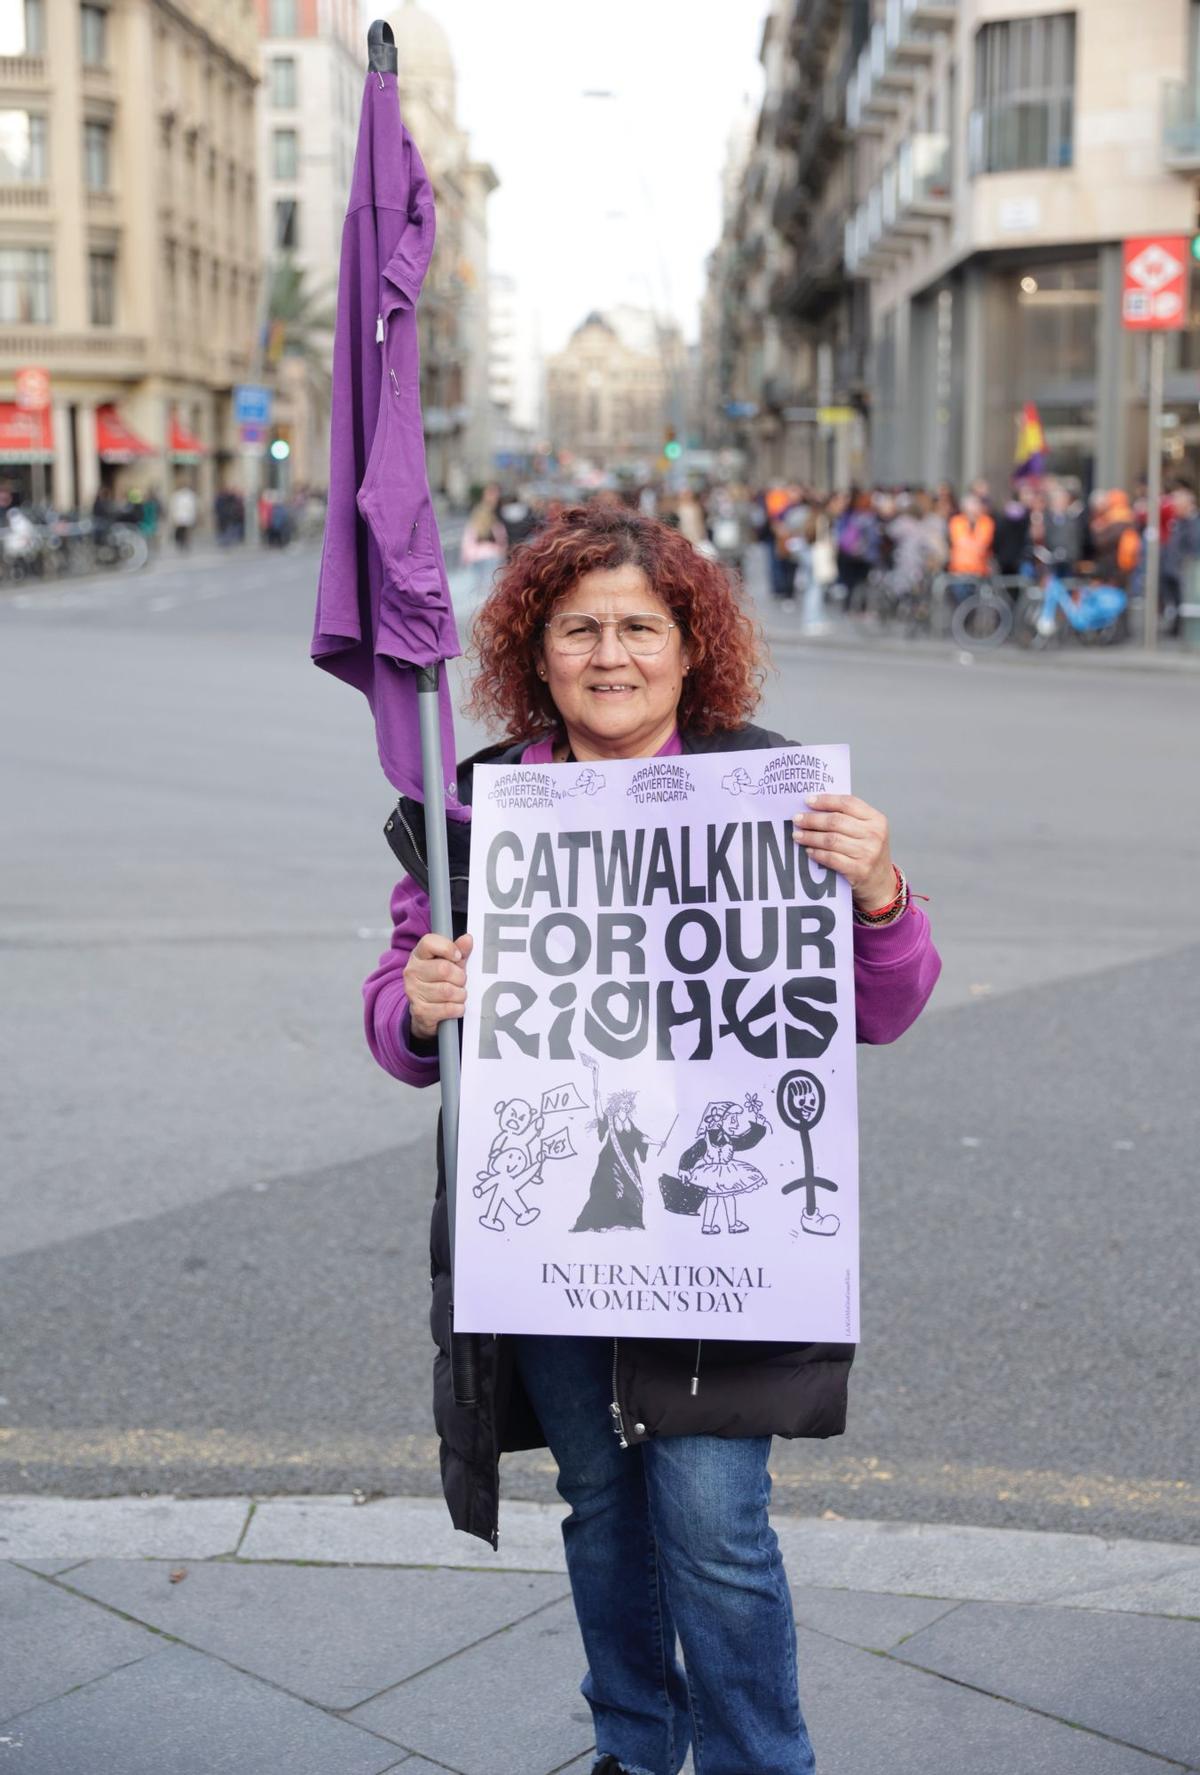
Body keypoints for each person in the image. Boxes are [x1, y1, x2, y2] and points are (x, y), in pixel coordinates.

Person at [363, 503, 941, 1775]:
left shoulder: (777, 787)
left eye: (639, 625)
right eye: (578, 628)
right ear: (536, 651)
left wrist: (880, 889)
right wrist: (419, 1000)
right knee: (601, 1506)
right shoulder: (482, 808)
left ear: (691, 647)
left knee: (715, 1518)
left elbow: (889, 1004)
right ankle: (635, 1739)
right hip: (554, 1235)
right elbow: (398, 1023)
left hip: (725, 1234)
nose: (609, 653)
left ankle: (754, 1758)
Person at [460, 483, 506, 596]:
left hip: (477, 556)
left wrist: (465, 557)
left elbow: (467, 541)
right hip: (492, 554)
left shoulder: (473, 525)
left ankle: (479, 604)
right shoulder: (495, 523)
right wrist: (502, 551)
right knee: (491, 582)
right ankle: (488, 603)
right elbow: (501, 537)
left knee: (478, 583)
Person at [169, 481, 197, 551]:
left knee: (186, 531)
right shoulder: (177, 495)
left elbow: (193, 507)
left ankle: (185, 543)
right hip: (181, 516)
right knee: (181, 531)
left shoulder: (189, 495)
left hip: (186, 516)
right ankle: (181, 542)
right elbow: (174, 507)